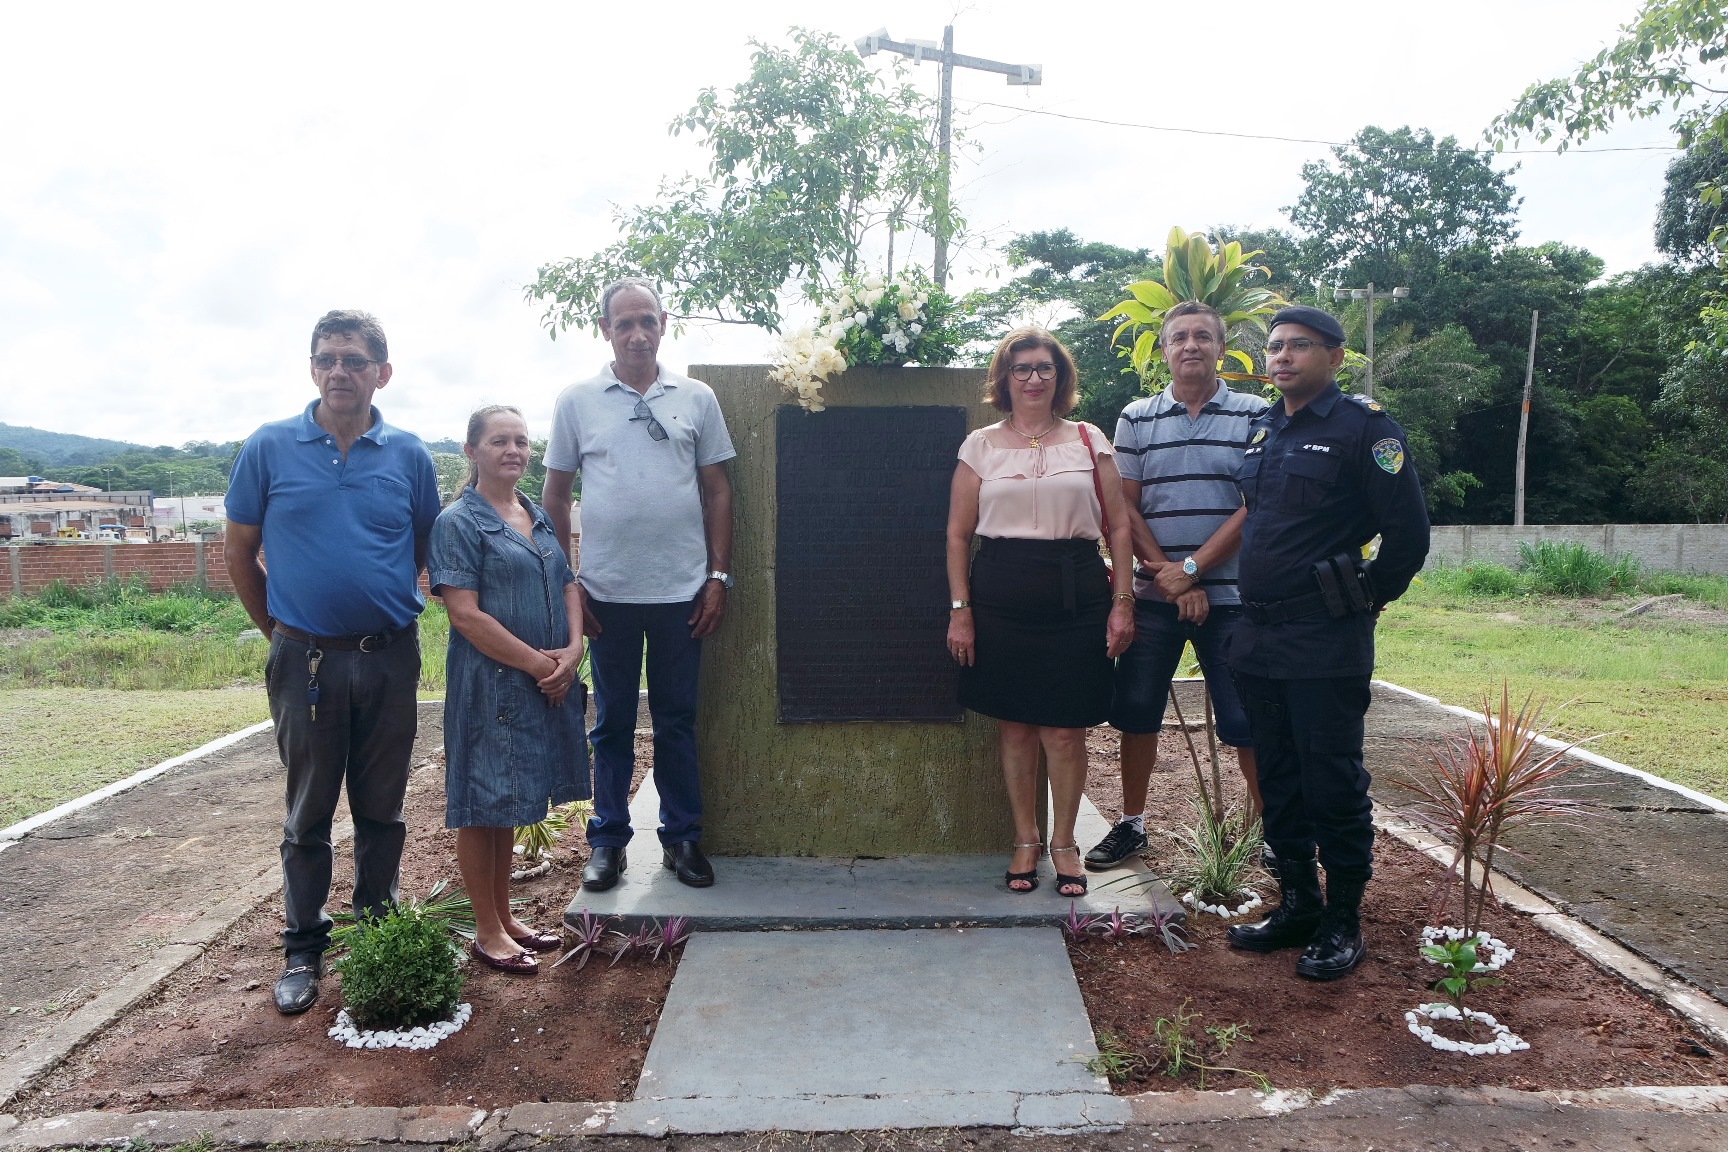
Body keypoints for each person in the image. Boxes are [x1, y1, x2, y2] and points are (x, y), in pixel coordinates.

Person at [225, 310, 441, 1014]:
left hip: (388, 659)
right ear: (312, 367)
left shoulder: (409, 456)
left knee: (382, 809)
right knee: (308, 811)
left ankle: (377, 933)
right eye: (327, 359)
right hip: (304, 662)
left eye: (353, 360)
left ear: (382, 371)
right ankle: (303, 948)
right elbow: (238, 552)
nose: (339, 371)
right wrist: (283, 635)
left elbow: (421, 552)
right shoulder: (269, 448)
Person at [1223, 305, 1430, 980]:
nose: (1281, 357)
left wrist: (1367, 597)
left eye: (1299, 347)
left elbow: (1409, 533)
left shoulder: (1365, 428)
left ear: (1335, 357)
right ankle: (1299, 907)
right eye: (1275, 347)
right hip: (1257, 634)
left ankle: (1344, 920)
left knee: (1331, 778)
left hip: (1324, 638)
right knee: (1279, 777)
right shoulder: (1264, 429)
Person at [542, 277, 736, 892]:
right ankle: (608, 842)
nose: (636, 334)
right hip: (606, 596)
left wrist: (717, 576)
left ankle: (682, 838)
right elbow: (554, 492)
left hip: (683, 591)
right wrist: (570, 582)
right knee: (613, 721)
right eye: (623, 323)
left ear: (663, 324)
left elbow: (718, 490)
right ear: (605, 329)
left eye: (646, 321)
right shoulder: (577, 401)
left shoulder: (697, 398)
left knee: (678, 718)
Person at [946, 327, 1137, 898]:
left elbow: (1119, 525)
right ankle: (1025, 839)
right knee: (1016, 727)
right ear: (1004, 379)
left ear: (1061, 377)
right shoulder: (979, 446)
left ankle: (1064, 843)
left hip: (1076, 591)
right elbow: (957, 535)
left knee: (1064, 728)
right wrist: (961, 610)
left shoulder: (1087, 439)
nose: (1033, 378)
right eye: (1022, 368)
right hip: (1001, 592)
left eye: (1044, 368)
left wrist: (1123, 601)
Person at [1089, 301, 1269, 872]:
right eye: (1178, 338)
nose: (1190, 346)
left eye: (1202, 337)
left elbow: (1255, 505)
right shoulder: (1137, 417)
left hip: (1236, 599)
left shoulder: (1257, 414)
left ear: (1221, 347)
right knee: (1136, 711)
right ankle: (1132, 823)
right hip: (1153, 597)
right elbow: (1125, 508)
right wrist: (1170, 575)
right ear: (1164, 350)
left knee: (1246, 721)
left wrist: (1190, 571)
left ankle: (1266, 834)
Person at [429, 405, 590, 975]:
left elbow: (569, 584)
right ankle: (487, 929)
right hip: (490, 685)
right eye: (499, 441)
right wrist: (539, 666)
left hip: (543, 679)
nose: (514, 450)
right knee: (481, 804)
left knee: (507, 802)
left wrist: (573, 653)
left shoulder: (539, 515)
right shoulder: (458, 523)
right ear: (472, 451)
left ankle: (505, 917)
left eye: (521, 441)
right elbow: (466, 616)